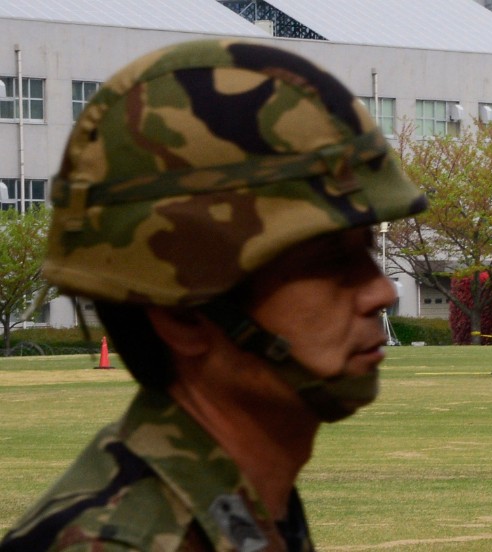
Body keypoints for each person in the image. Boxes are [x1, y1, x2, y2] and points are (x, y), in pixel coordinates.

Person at [0, 39, 427, 551]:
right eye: (329, 263)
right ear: (184, 318)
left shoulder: (245, 507)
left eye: (366, 252)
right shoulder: (118, 542)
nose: (380, 292)